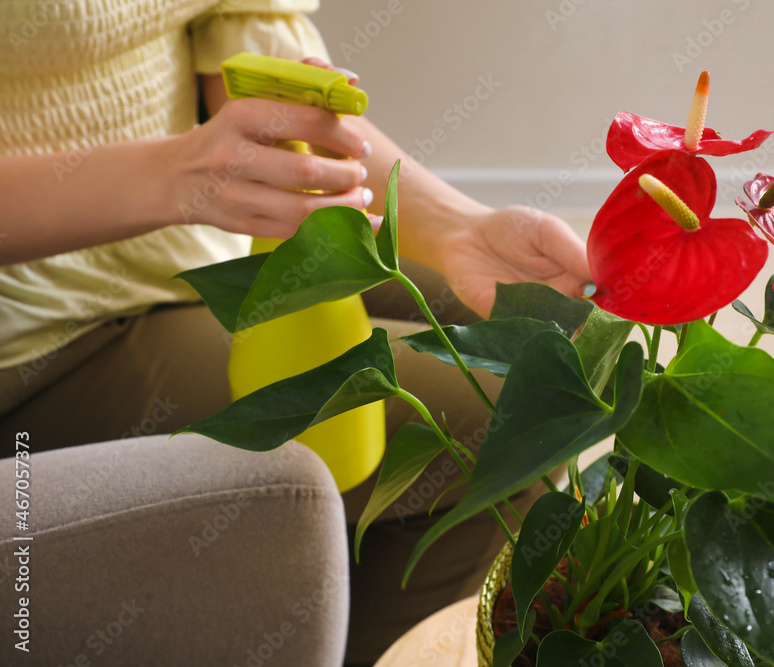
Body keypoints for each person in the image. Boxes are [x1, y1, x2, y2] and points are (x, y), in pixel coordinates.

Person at [0, 1, 589, 665]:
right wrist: (175, 176)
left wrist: (459, 229)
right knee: (509, 421)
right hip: (39, 331)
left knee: (537, 344)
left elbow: (256, 79)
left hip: (195, 244)